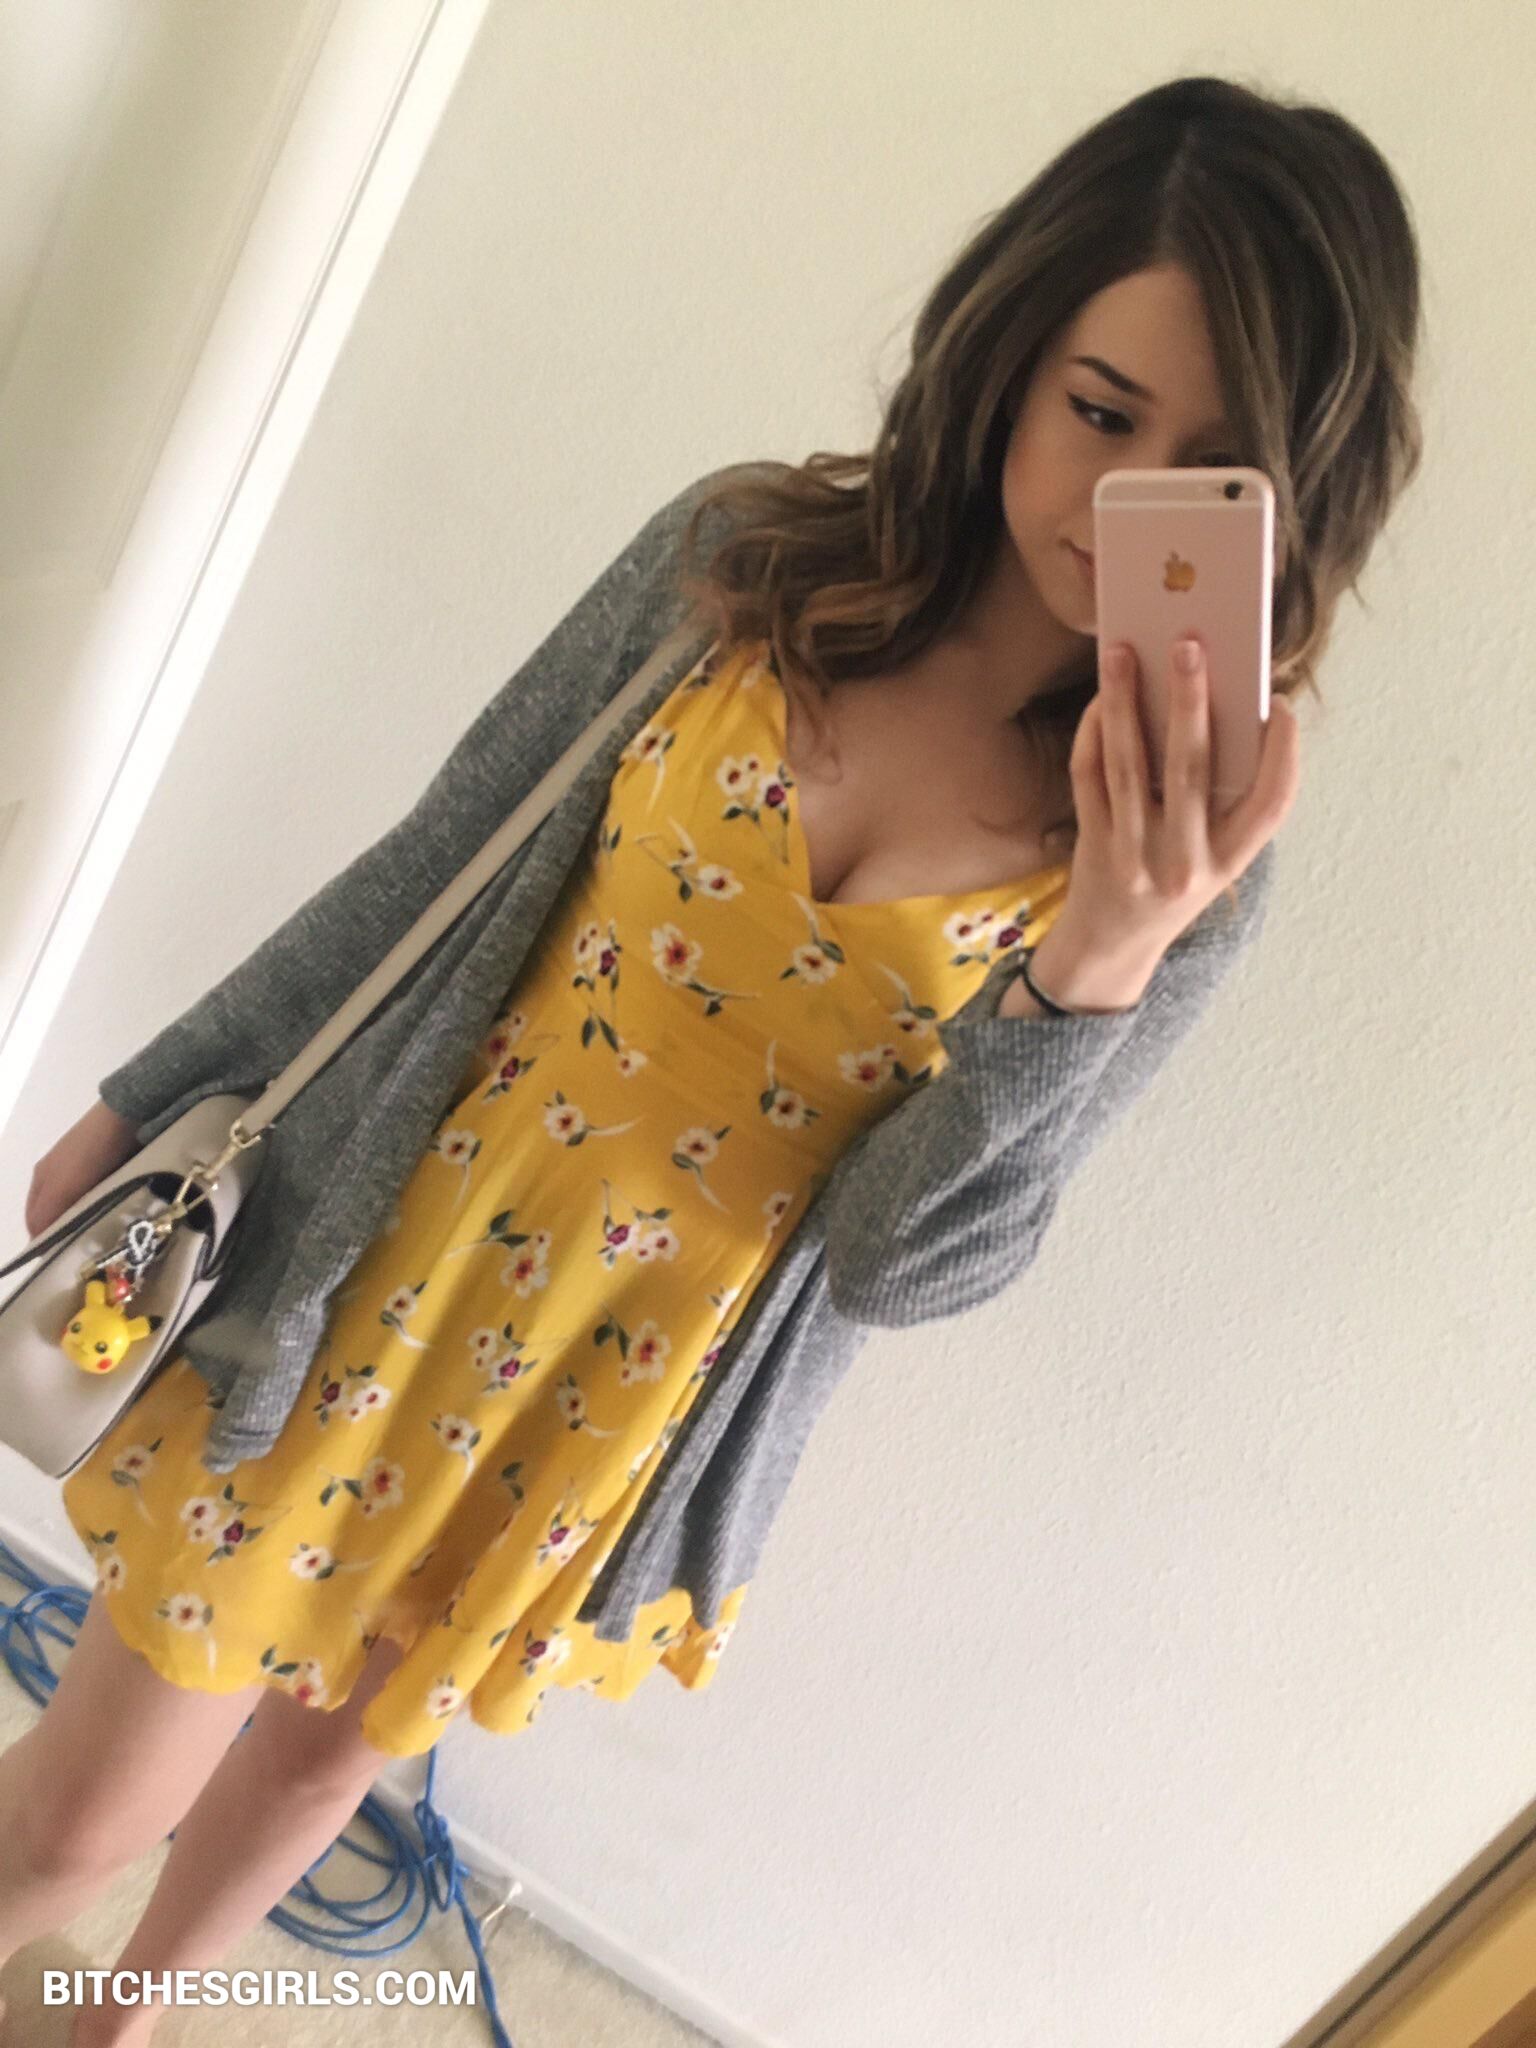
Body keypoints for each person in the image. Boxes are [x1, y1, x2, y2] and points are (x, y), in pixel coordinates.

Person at [3, 72, 1420, 2048]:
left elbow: (897, 1263)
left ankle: (121, 2019)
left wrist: (1096, 962)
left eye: (1212, 472)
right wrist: (163, 1083)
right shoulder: (740, 564)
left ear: (1293, 510)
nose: (1126, 507)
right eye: (1103, 412)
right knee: (79, 1814)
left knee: (321, 1765)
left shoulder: (1190, 869)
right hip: (377, 1272)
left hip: (601, 1397)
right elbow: (436, 855)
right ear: (1014, 349)